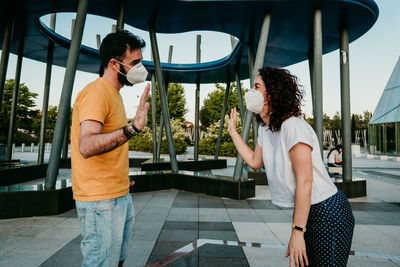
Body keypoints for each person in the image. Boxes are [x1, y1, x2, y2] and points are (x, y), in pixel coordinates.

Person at [228, 67, 354, 267]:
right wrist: (234, 133)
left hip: (328, 212)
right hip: (306, 211)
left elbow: (305, 181)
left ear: (272, 93)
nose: (251, 91)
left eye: (256, 86)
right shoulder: (265, 128)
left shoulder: (292, 125)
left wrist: (297, 232)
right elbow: (254, 161)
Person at [71, 30, 150, 267]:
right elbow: (87, 145)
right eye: (135, 62)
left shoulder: (113, 94)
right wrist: (132, 129)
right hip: (100, 201)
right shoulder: (96, 93)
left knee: (116, 261)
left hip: (117, 193)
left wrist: (120, 177)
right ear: (114, 64)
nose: (140, 68)